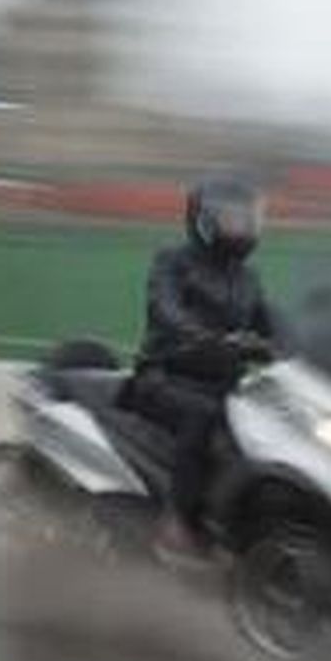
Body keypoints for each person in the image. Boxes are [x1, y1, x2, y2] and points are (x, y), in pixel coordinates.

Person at [130, 172, 283, 560]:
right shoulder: (173, 261)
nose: (243, 226)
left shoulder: (248, 278)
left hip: (225, 385)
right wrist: (198, 333)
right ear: (204, 219)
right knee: (203, 416)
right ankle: (176, 522)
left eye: (249, 217)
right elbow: (164, 307)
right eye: (233, 217)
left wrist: (300, 344)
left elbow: (273, 324)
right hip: (164, 378)